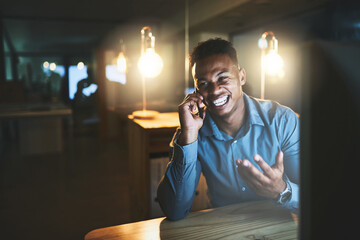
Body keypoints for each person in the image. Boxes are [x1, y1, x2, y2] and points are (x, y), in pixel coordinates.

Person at [157, 38, 299, 220]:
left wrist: (281, 190)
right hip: (222, 229)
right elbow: (173, 210)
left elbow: (313, 199)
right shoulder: (191, 132)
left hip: (276, 226)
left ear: (241, 76)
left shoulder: (282, 120)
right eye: (204, 84)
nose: (215, 91)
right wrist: (189, 136)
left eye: (223, 78)